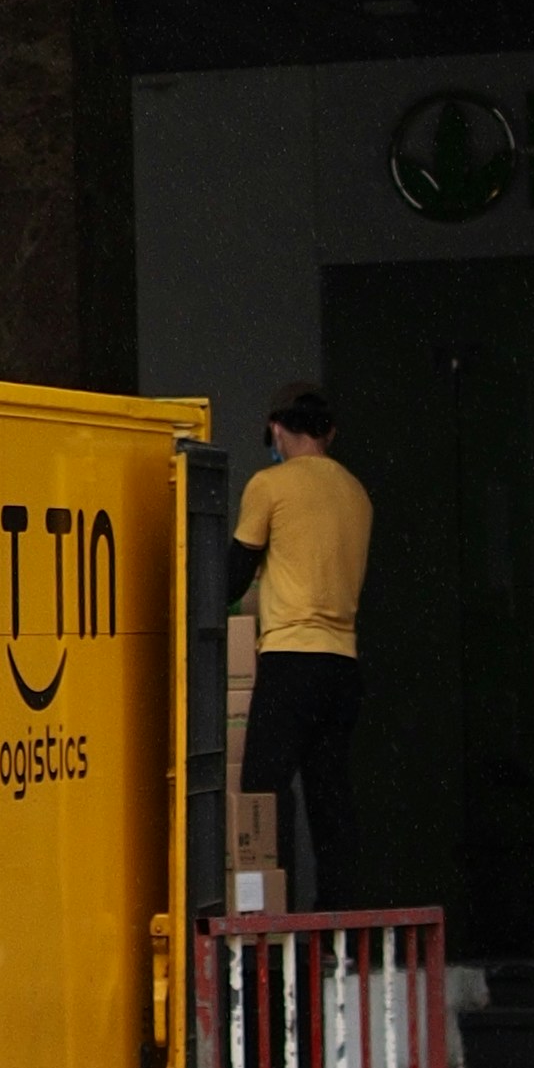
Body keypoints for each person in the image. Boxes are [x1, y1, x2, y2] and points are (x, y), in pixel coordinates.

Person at [230, 384, 371, 912]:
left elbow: (233, 574)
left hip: (290, 658)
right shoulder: (357, 493)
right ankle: (339, 923)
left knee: (264, 787)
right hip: (343, 664)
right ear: (329, 432)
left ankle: (272, 910)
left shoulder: (270, 485)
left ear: (275, 428)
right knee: (330, 797)